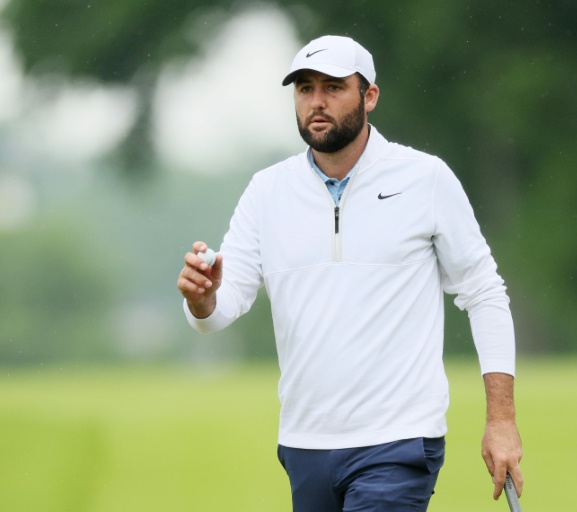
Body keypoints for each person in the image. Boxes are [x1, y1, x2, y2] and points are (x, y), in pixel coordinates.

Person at [177, 35, 523, 511]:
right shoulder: (267, 191)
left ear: (370, 96)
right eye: (304, 89)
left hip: (399, 440)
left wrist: (500, 419)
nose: (316, 102)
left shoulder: (425, 179)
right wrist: (202, 299)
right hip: (305, 442)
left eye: (333, 87)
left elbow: (484, 293)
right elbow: (222, 305)